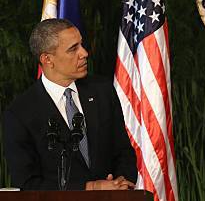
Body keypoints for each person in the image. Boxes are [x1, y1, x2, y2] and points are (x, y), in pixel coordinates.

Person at [2, 18, 137, 190]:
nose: (84, 53)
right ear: (47, 59)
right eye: (73, 49)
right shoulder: (20, 113)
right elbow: (27, 183)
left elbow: (123, 151)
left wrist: (121, 183)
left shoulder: (102, 91)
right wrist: (90, 188)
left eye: (81, 44)